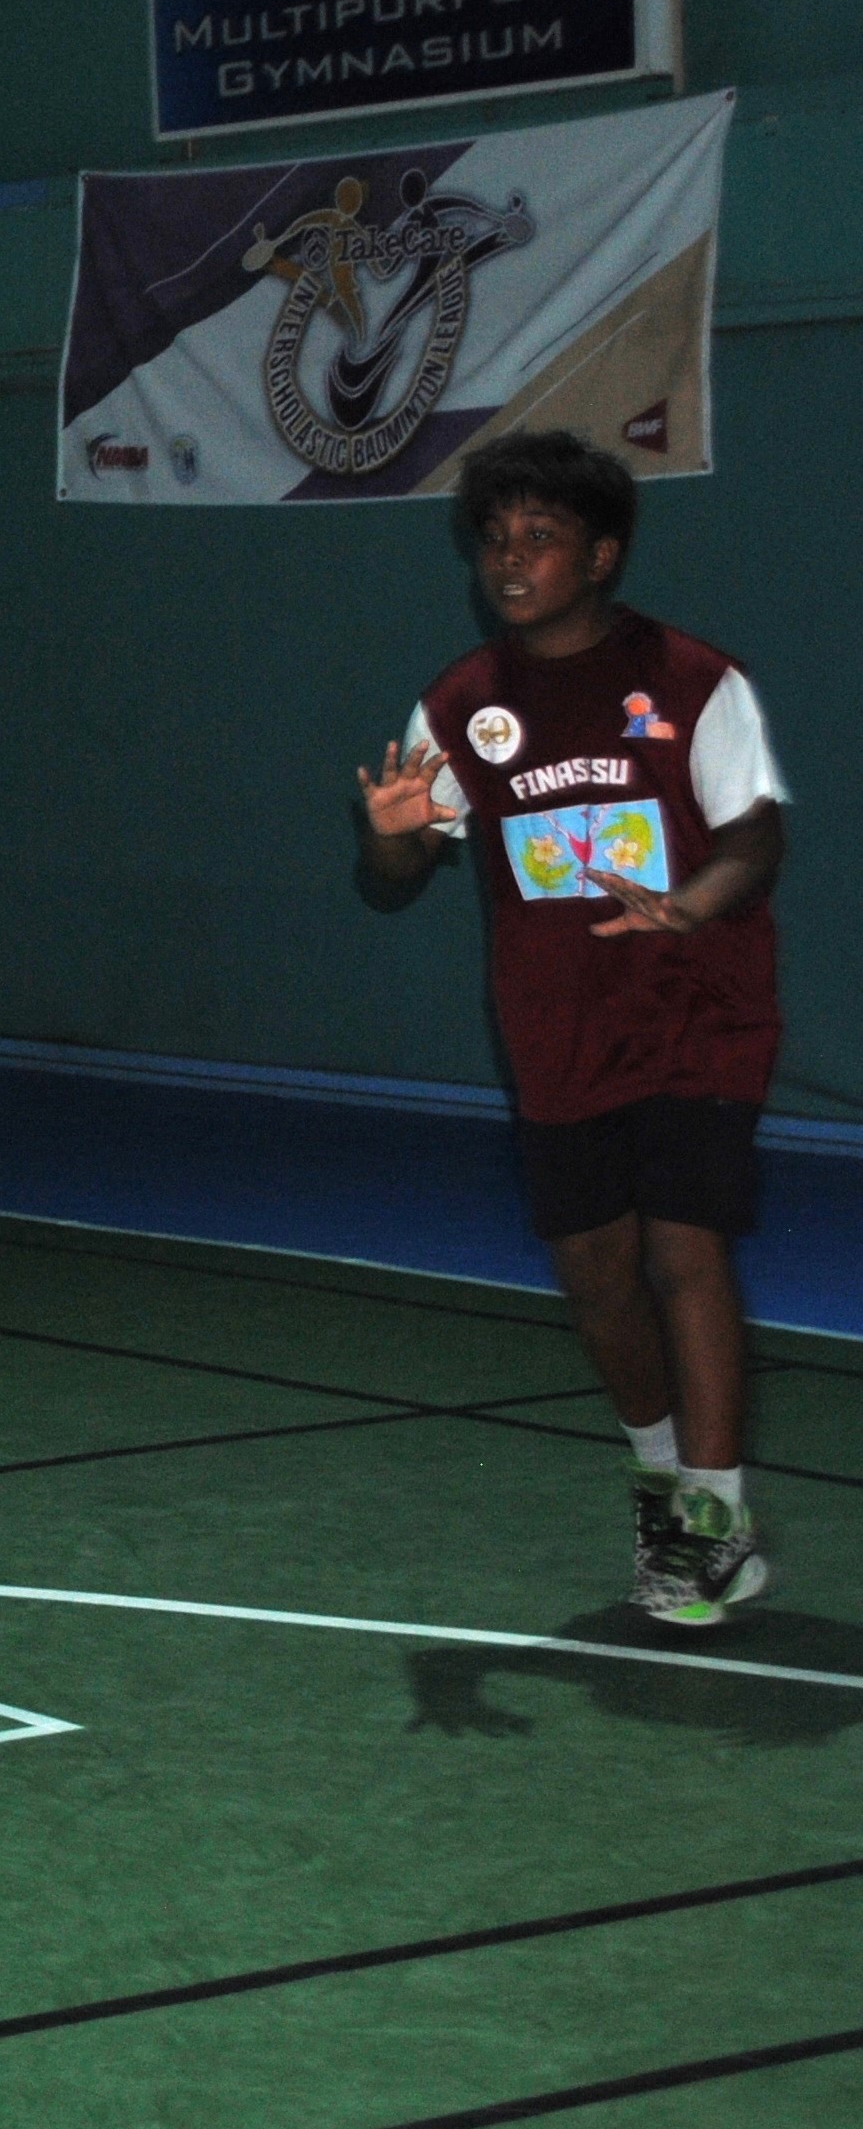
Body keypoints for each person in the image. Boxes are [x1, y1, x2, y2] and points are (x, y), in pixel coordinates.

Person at [355, 429, 789, 1626]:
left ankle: (711, 1517)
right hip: (556, 1026)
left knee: (682, 1250)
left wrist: (687, 904)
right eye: (492, 539)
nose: (508, 560)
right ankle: (664, 1486)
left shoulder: (693, 680)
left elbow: (753, 836)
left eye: (538, 538)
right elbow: (394, 875)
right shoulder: (460, 703)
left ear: (600, 556)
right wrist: (392, 835)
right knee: (595, 1274)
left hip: (697, 1011)